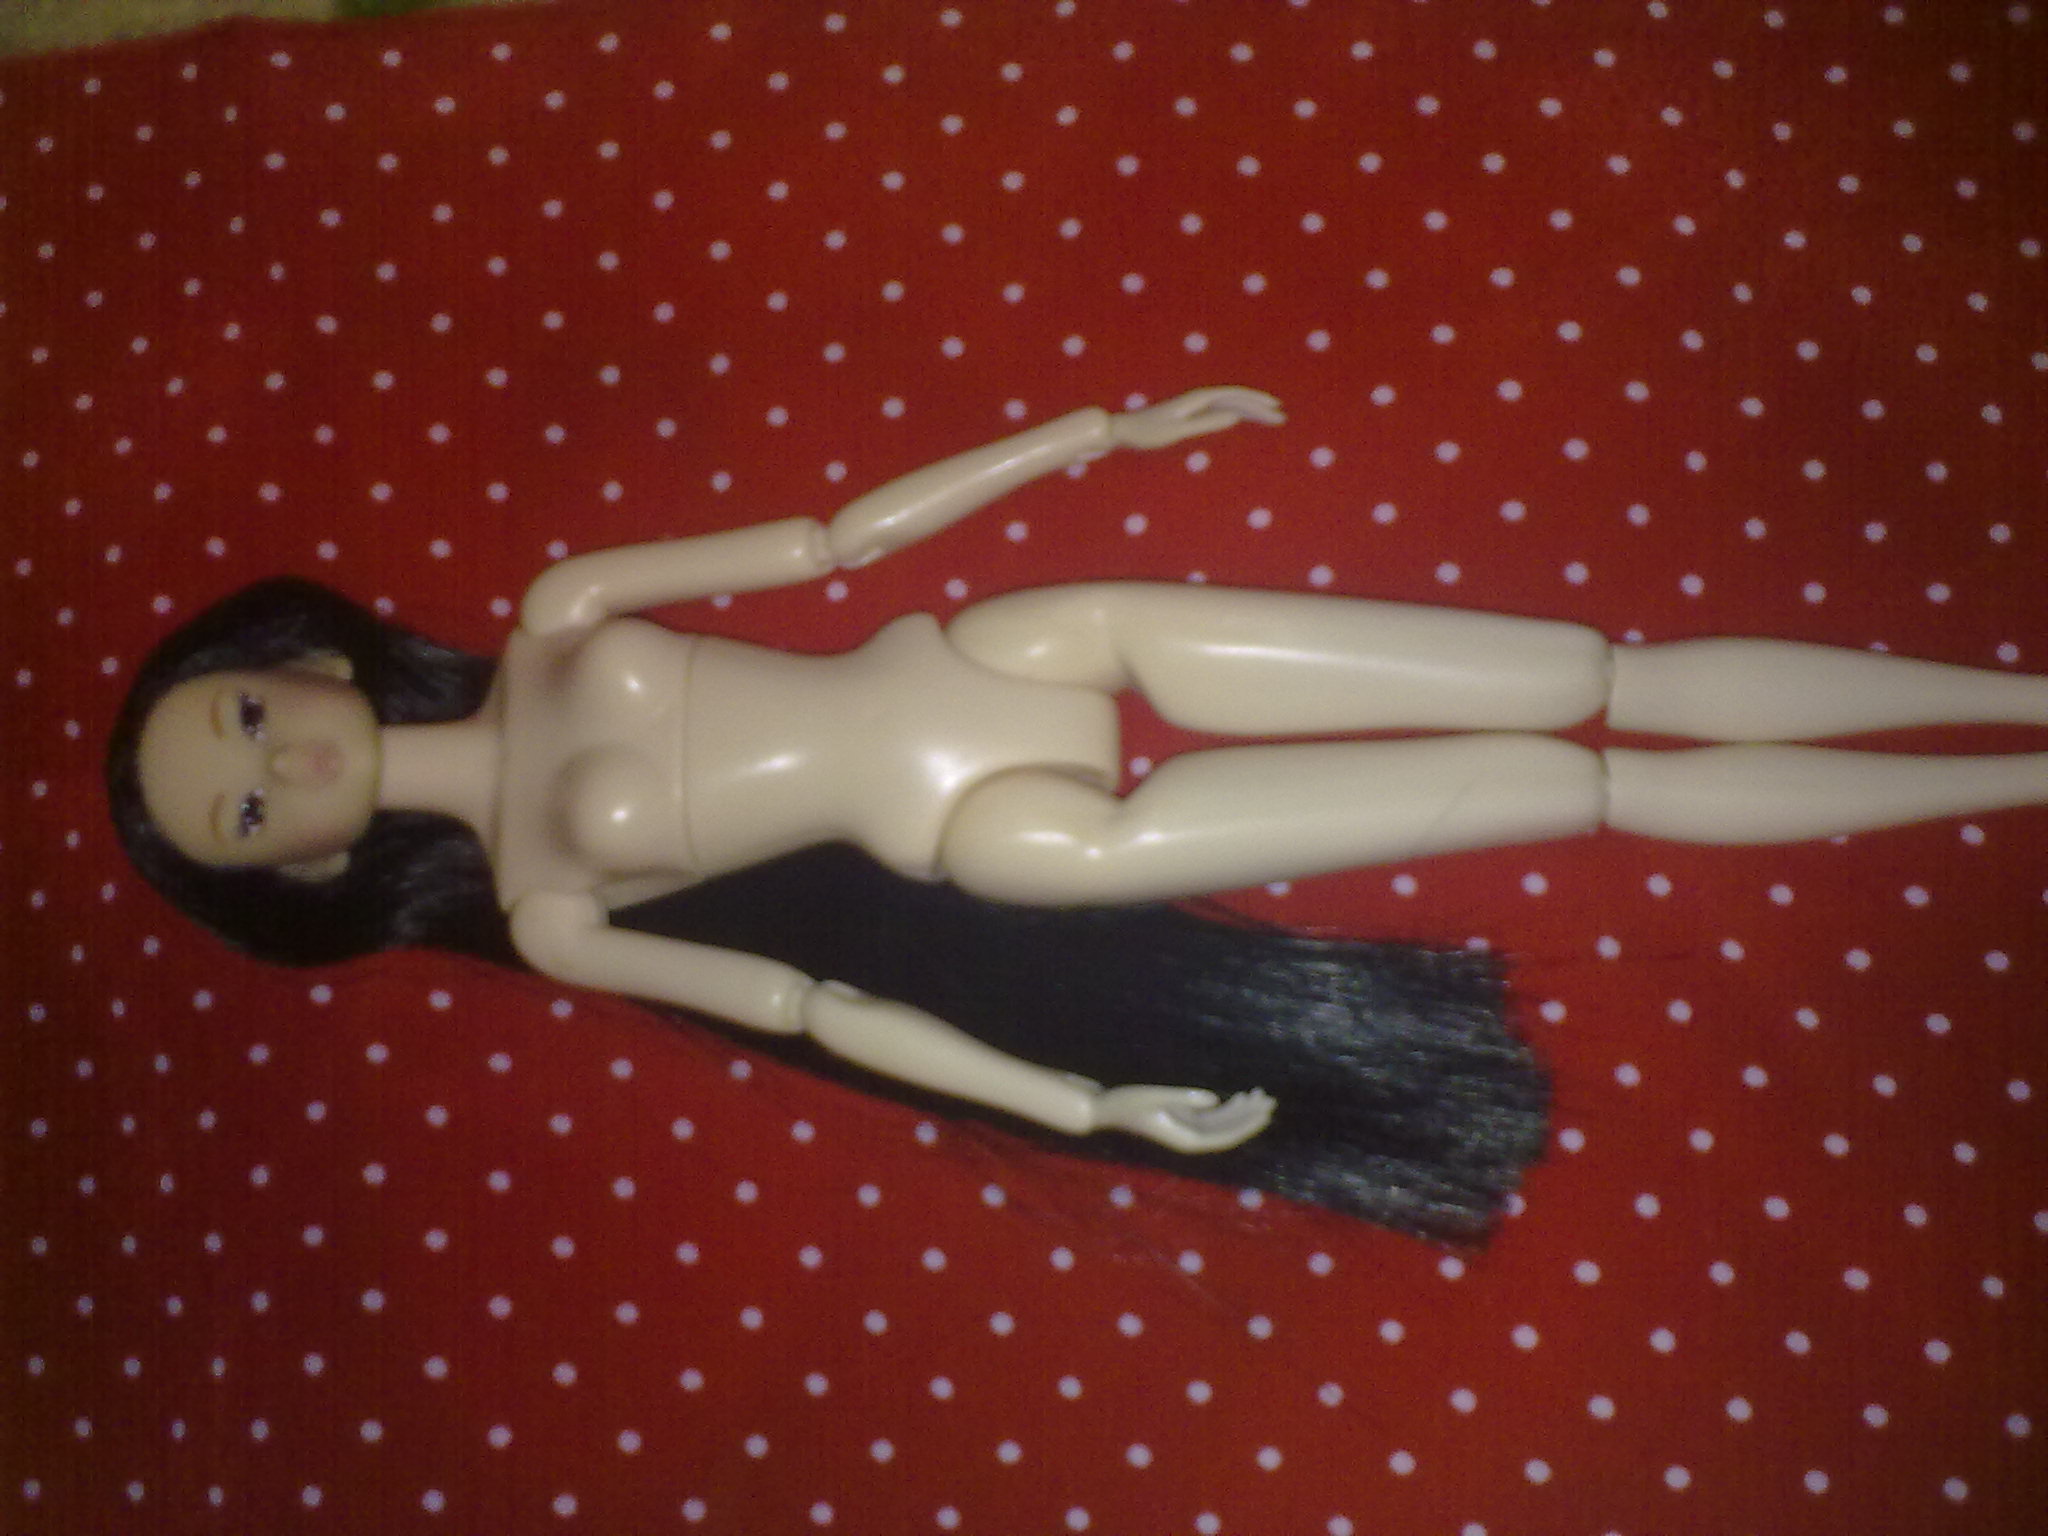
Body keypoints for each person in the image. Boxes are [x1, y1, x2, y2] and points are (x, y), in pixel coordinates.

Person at [105, 388, 2048, 1240]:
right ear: (307, 871)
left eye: (248, 718)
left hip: (1012, 642)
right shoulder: (543, 910)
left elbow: (828, 539)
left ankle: (2025, 707)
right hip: (1002, 841)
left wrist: (1088, 435)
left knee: (1578, 668)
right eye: (249, 808)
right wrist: (1079, 1103)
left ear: (307, 657)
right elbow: (813, 1011)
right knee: (1578, 785)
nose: (284, 765)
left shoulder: (557, 616)